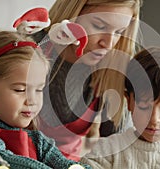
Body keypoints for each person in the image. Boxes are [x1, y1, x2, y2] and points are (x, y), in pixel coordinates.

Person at [0, 31, 91, 169]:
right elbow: (1, 159)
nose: (31, 100)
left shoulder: (39, 141)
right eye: (20, 90)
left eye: (39, 90)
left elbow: (66, 165)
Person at [32, 0, 143, 161]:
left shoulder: (113, 66)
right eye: (99, 26)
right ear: (71, 15)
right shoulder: (29, 50)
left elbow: (115, 150)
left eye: (119, 31)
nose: (108, 43)